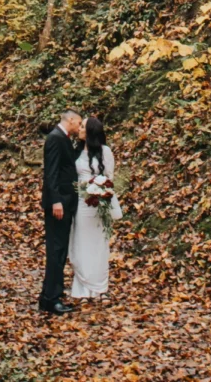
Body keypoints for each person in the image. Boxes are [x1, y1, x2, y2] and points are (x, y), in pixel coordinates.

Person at [68, 114, 121, 300]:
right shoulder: (75, 150)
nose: (79, 129)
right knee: (81, 244)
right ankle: (82, 288)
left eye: (83, 127)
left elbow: (109, 177)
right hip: (81, 204)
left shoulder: (105, 151)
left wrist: (100, 191)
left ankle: (100, 288)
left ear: (90, 131)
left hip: (98, 205)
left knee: (99, 245)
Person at [39, 108, 83, 315]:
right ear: (71, 119)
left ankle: (48, 295)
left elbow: (69, 163)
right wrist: (56, 201)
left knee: (60, 250)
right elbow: (51, 172)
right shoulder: (55, 139)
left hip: (66, 202)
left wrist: (82, 141)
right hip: (59, 204)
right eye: (79, 123)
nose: (79, 127)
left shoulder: (63, 138)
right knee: (56, 251)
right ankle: (51, 298)